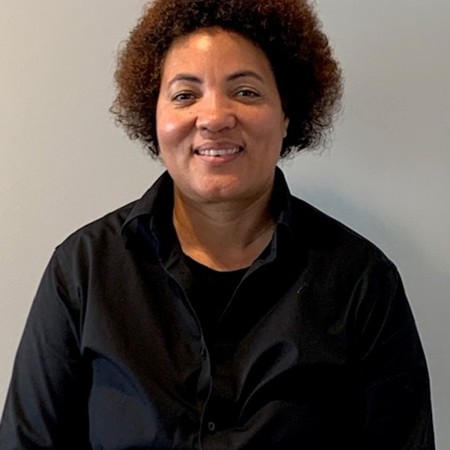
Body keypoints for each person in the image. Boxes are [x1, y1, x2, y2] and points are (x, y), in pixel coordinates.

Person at [0, 0, 435, 448]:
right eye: (185, 95)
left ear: (286, 113)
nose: (213, 118)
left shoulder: (361, 281)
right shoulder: (84, 270)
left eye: (245, 92)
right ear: (154, 116)